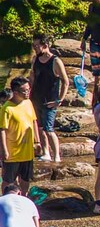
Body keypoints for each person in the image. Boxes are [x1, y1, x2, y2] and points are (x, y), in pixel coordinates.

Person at [29, 33, 68, 163]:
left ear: (45, 46)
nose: (34, 48)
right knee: (40, 128)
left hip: (50, 100)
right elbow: (32, 77)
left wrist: (59, 100)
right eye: (33, 45)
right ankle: (46, 152)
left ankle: (57, 155)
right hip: (36, 99)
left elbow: (65, 81)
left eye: (36, 46)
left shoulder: (55, 61)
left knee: (49, 129)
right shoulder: (36, 59)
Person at [0, 77, 40, 193]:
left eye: (29, 89)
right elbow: (2, 130)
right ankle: (6, 201)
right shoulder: (7, 108)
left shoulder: (28, 103)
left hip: (27, 151)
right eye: (25, 91)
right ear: (16, 92)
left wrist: (37, 142)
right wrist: (4, 150)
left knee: (25, 178)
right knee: (8, 180)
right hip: (12, 151)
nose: (28, 92)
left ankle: (24, 199)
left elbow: (33, 121)